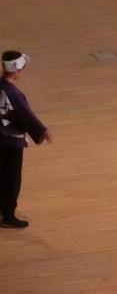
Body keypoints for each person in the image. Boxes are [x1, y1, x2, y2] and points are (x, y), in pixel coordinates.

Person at [0, 51, 54, 229]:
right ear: (16, 71)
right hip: (12, 142)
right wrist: (42, 131)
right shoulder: (14, 94)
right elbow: (25, 115)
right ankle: (8, 216)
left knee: (2, 175)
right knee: (12, 178)